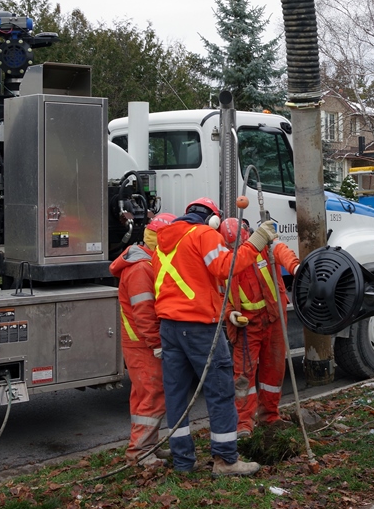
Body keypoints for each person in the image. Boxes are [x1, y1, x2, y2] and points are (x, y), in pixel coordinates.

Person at [154, 197, 276, 476]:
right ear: (213, 219)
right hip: (199, 327)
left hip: (169, 328)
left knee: (176, 396)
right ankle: (225, 460)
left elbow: (183, 281)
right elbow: (226, 268)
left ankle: (183, 462)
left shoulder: (163, 241)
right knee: (221, 391)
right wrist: (256, 242)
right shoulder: (204, 234)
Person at [219, 217, 301, 437]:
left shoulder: (264, 248)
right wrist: (230, 314)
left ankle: (269, 417)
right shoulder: (225, 260)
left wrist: (296, 267)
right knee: (244, 377)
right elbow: (219, 295)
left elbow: (282, 251)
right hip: (247, 327)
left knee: (273, 372)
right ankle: (243, 423)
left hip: (272, 320)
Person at [109, 212, 176, 467]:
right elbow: (144, 312)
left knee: (147, 395)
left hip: (141, 341)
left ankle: (148, 446)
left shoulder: (146, 262)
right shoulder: (141, 268)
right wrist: (156, 343)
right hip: (142, 343)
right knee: (151, 393)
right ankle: (140, 452)